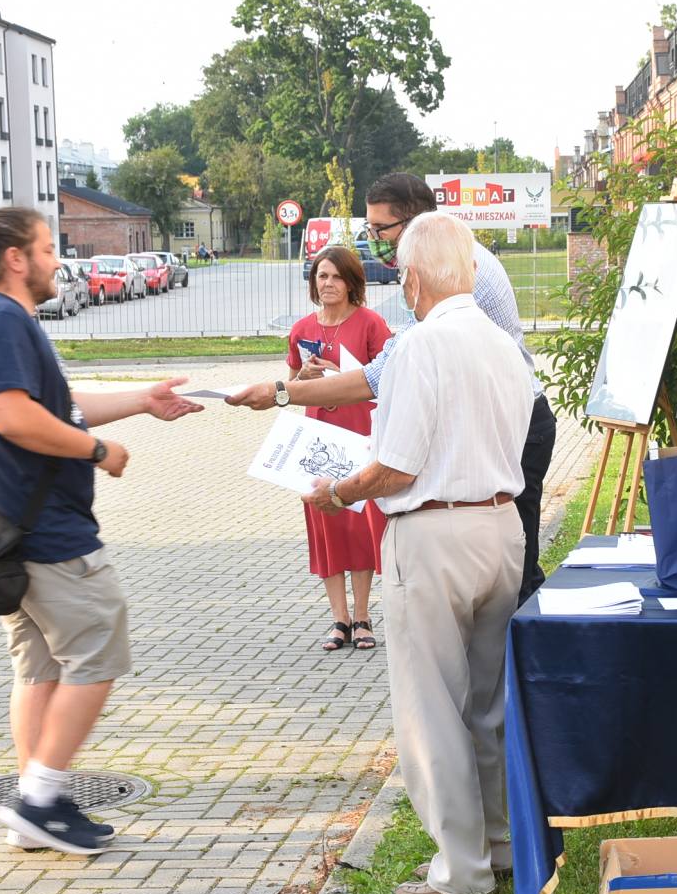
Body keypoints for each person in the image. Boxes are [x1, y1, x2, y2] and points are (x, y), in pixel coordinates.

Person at [0, 207, 203, 857]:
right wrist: (95, 451)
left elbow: (53, 405)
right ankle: (39, 797)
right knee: (97, 643)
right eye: (46, 247)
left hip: (13, 529)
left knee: (39, 668)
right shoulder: (2, 318)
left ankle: (40, 803)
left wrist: (144, 400)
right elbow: (13, 417)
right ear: (15, 259)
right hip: (46, 533)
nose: (58, 260)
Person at [301, 214, 534, 894]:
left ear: (413, 278)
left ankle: (460, 869)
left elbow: (396, 467)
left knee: (432, 709)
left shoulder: (418, 347)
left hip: (433, 533)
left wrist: (339, 493)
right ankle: (498, 846)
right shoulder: (505, 345)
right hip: (501, 524)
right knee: (488, 704)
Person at [229, 172, 557, 602]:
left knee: (513, 578)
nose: (373, 239)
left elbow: (377, 382)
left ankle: (528, 661)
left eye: (379, 229)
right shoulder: (453, 259)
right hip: (499, 424)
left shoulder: (449, 276)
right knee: (507, 575)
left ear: (414, 224)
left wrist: (281, 394)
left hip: (513, 426)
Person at [287, 246, 394, 652]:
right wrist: (302, 375)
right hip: (319, 434)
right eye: (321, 276)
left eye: (334, 276)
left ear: (351, 282)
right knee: (326, 524)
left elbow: (389, 377)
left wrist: (342, 376)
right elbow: (289, 388)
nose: (327, 283)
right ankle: (339, 620)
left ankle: (364, 615)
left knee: (357, 523)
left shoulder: (370, 323)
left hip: (359, 432)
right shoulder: (300, 330)